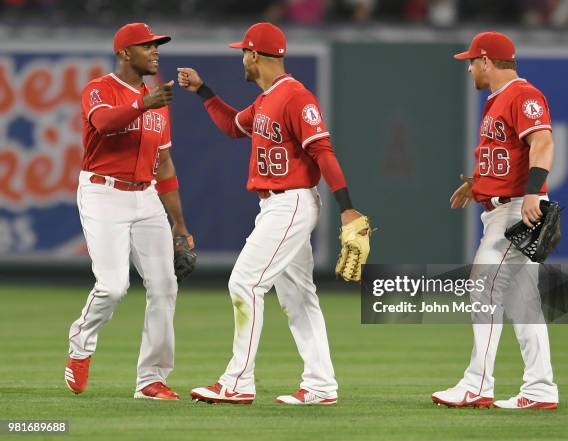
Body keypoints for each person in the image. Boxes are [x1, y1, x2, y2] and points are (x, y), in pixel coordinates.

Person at [178, 22, 366, 405]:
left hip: (291, 202)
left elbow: (323, 151)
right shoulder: (266, 100)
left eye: (242, 53)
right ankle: (321, 385)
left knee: (244, 283)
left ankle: (238, 381)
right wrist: (203, 91)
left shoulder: (295, 96)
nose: (241, 61)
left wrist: (347, 209)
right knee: (298, 297)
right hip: (276, 204)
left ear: (254, 55)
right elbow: (233, 127)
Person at [432, 31, 559, 410]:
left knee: (483, 286)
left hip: (519, 209)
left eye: (471, 61)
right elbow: (509, 154)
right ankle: (540, 389)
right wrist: (479, 183)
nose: (469, 68)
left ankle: (477, 385)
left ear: (486, 61)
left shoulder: (523, 95)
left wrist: (534, 192)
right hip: (504, 205)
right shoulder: (499, 100)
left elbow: (543, 142)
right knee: (524, 303)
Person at [65, 22, 192, 400]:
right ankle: (80, 345)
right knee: (113, 285)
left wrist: (180, 226)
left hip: (146, 195)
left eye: (157, 47)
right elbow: (102, 123)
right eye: (147, 46)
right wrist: (141, 104)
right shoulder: (99, 89)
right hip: (103, 193)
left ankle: (151, 379)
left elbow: (165, 164)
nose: (155, 52)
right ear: (124, 53)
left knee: (165, 285)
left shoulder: (157, 100)